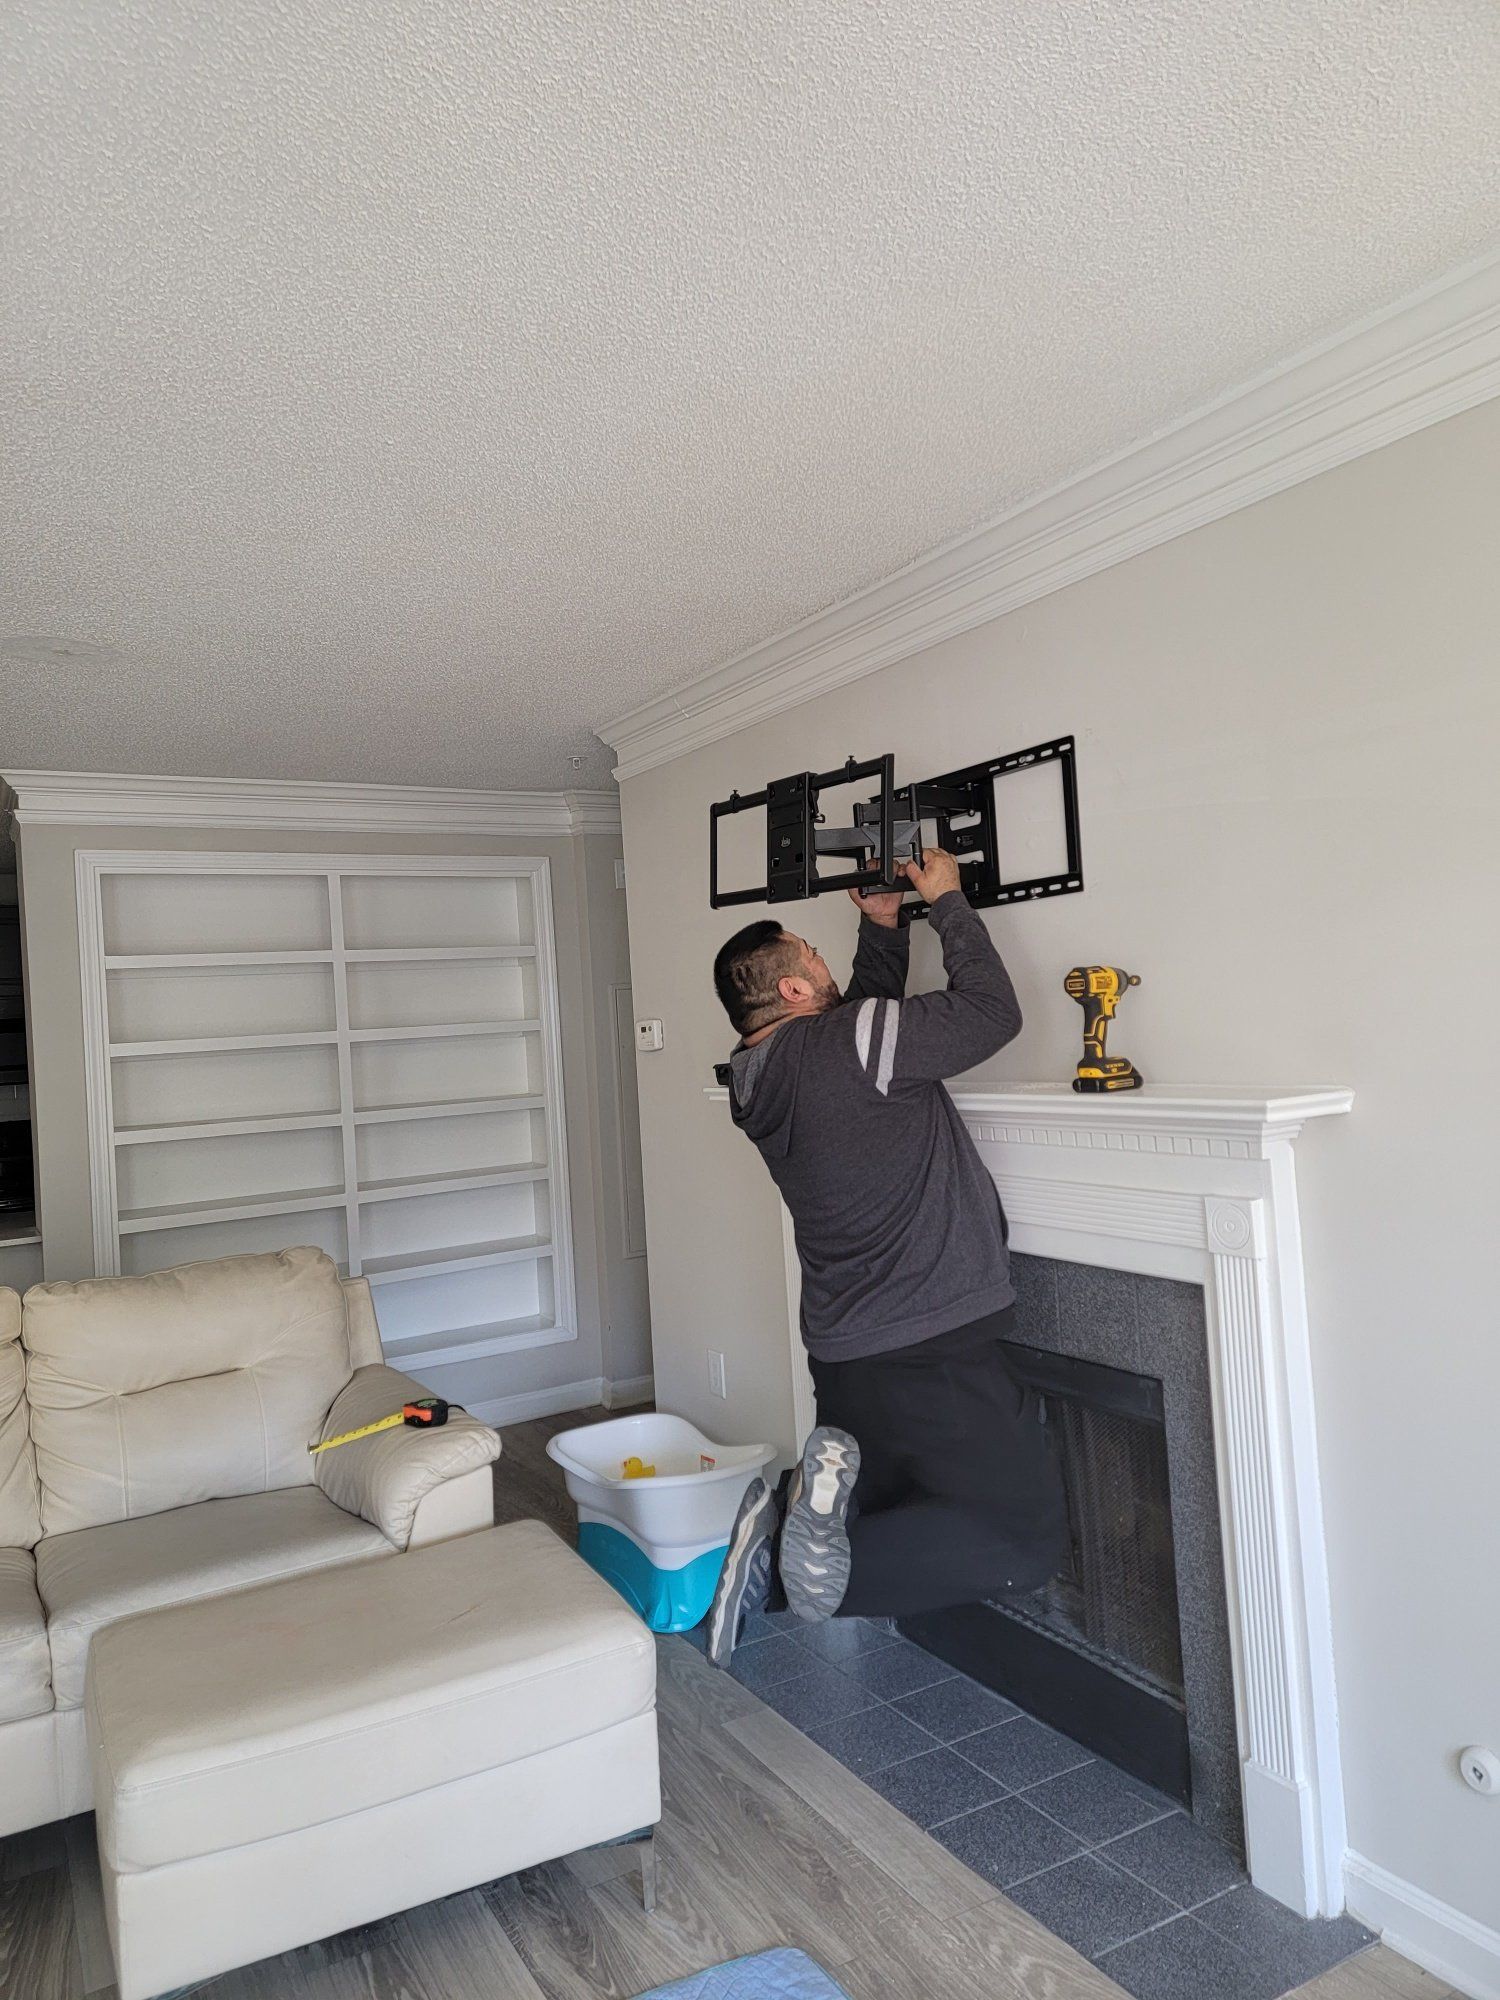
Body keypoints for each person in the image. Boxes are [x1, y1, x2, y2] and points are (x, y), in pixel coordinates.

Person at [704, 847, 1066, 1668]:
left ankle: (792, 1530)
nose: (822, 961)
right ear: (794, 991)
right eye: (812, 957)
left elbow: (860, 1031)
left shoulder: (753, 1076)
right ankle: (778, 1560)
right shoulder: (850, 1045)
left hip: (847, 1352)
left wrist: (881, 926)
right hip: (929, 1340)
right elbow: (991, 1013)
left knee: (905, 1510)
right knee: (1020, 1540)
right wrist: (948, 902)